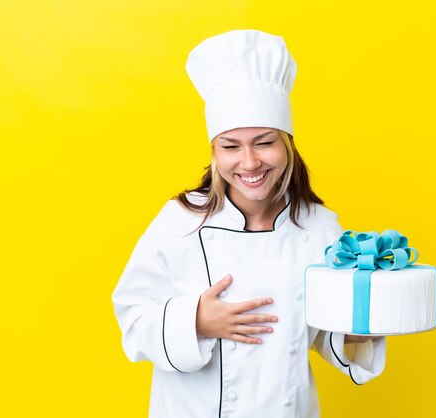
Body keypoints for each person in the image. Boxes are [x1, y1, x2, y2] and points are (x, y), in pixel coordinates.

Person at [112, 29, 386, 418]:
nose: (249, 162)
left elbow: (323, 330)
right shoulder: (181, 220)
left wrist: (359, 329)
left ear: (287, 143)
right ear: (214, 152)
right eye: (230, 146)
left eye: (263, 141)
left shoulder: (321, 228)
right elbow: (133, 318)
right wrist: (196, 321)